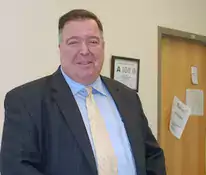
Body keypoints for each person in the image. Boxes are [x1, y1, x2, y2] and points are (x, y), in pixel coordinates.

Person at [0, 9, 166, 175]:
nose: (85, 50)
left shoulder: (128, 97)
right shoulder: (26, 101)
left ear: (103, 46)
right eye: (73, 42)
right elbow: (16, 169)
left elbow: (152, 156)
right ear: (60, 48)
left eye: (93, 41)